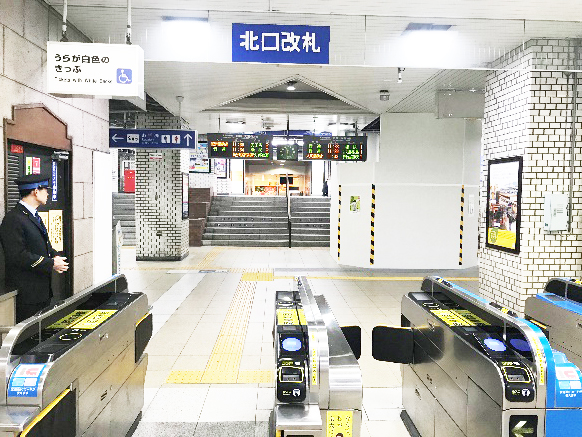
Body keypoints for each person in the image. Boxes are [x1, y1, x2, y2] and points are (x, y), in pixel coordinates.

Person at [0, 174, 69, 322]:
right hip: (27, 294)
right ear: (36, 192)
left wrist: (55, 255)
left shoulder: (33, 215)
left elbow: (44, 244)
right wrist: (51, 263)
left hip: (42, 291)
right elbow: (17, 255)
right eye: (46, 190)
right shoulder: (14, 219)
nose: (48, 194)